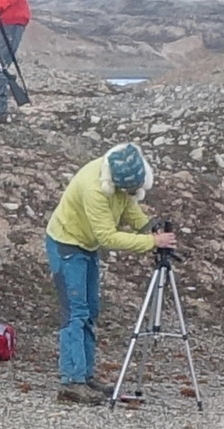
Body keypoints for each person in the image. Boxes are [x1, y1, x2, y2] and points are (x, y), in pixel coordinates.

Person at [43, 140, 168, 400]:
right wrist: (151, 242)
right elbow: (108, 236)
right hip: (67, 244)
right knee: (75, 312)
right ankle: (71, 381)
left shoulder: (117, 180)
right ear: (117, 182)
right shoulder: (94, 189)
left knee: (90, 310)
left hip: (86, 245)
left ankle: (85, 375)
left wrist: (147, 226)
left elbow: (127, 205)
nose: (132, 192)